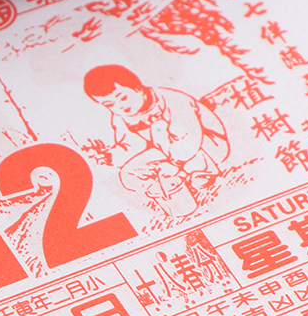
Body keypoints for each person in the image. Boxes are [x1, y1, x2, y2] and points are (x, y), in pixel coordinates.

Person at [84, 64, 229, 217]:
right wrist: (110, 156)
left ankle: (202, 173)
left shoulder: (173, 100)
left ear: (138, 89)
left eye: (123, 98)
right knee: (128, 174)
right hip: (165, 154)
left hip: (205, 146)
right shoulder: (120, 118)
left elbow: (190, 141)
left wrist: (170, 162)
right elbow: (130, 146)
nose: (120, 106)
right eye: (110, 105)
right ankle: (164, 186)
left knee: (158, 128)